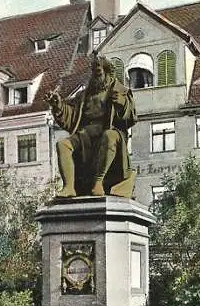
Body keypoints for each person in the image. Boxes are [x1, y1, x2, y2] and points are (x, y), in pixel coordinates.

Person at [46, 54, 137, 198]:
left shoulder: (120, 90)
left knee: (109, 136)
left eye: (99, 71)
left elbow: (131, 116)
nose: (95, 74)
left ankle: (98, 182)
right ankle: (69, 187)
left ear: (107, 72)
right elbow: (71, 117)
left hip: (109, 131)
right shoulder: (84, 95)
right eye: (93, 71)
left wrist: (122, 104)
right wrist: (58, 106)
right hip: (86, 134)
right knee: (62, 145)